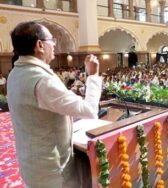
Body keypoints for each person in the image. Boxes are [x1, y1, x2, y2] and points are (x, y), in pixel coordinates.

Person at [7, 21, 102, 187]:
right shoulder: (42, 80)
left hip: (32, 164)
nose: (54, 45)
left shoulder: (16, 73)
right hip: (53, 171)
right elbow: (90, 110)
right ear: (40, 45)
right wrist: (93, 76)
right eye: (52, 40)